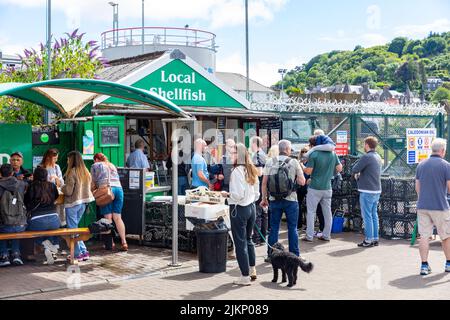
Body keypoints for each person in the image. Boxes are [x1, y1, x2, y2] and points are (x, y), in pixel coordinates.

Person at [260, 140, 306, 258]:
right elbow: (302, 181)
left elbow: (264, 183)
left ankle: (272, 255)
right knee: (292, 228)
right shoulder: (294, 162)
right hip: (291, 200)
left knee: (274, 228)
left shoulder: (270, 161)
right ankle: (294, 255)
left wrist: (264, 199)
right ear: (287, 149)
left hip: (274, 199)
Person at [223, 143, 260, 286]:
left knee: (240, 243)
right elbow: (256, 194)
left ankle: (244, 276)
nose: (230, 155)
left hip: (240, 208)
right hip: (251, 208)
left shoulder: (237, 171)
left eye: (232, 153)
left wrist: (227, 194)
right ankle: (252, 269)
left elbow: (237, 195)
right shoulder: (251, 168)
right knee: (248, 240)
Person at [415, 138, 450, 275]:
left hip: (423, 205)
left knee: (424, 236)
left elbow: (417, 187)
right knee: (446, 236)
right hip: (440, 206)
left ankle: (424, 265)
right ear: (442, 151)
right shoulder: (446, 166)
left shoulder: (421, 165)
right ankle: (448, 264)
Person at [303, 136, 343, 242]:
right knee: (327, 213)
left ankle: (309, 236)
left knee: (311, 212)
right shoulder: (333, 154)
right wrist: (330, 173)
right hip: (327, 187)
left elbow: (308, 171)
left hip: (314, 187)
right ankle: (326, 235)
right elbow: (339, 168)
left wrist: (302, 166)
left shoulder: (314, 154)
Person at [91, 153, 128, 251]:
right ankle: (124, 242)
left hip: (107, 191)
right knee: (117, 217)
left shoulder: (95, 165)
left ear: (96, 160)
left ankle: (110, 243)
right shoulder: (111, 165)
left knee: (108, 218)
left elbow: (93, 180)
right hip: (119, 189)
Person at [62, 151, 95, 262]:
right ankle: (83, 252)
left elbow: (68, 191)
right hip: (83, 203)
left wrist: (61, 185)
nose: (67, 161)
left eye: (68, 159)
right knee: (75, 228)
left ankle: (76, 254)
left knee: (72, 230)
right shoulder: (86, 171)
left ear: (71, 160)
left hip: (72, 203)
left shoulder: (72, 172)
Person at [25, 166, 61, 265]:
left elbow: (27, 202)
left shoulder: (32, 186)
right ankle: (52, 247)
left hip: (37, 220)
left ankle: (47, 247)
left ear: (35, 175)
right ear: (46, 175)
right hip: (54, 219)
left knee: (31, 229)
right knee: (50, 231)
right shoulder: (52, 186)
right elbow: (56, 197)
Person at [351, 137, 382, 248]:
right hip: (377, 190)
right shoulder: (377, 156)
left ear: (367, 145)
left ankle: (368, 240)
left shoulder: (367, 157)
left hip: (367, 191)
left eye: (364, 144)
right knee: (374, 215)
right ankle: (374, 238)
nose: (364, 146)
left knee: (367, 216)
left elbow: (354, 169)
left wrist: (358, 175)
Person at [0, 164, 28, 267]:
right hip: (21, 225)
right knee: (16, 225)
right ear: (12, 173)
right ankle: (16, 254)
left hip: (4, 225)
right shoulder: (22, 184)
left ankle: (4, 256)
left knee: (3, 226)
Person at [250, 136, 268, 246]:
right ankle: (262, 238)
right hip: (264, 188)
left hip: (260, 187)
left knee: (258, 214)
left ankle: (257, 239)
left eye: (251, 143)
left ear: (254, 144)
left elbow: (259, 172)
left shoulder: (257, 155)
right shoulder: (263, 154)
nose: (250, 146)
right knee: (263, 214)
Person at [40, 148, 65, 226]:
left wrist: (56, 178)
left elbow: (61, 183)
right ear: (48, 157)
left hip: (56, 195)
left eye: (57, 158)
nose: (56, 160)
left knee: (57, 213)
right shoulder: (41, 167)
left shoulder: (57, 167)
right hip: (45, 196)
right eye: (54, 158)